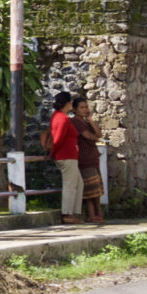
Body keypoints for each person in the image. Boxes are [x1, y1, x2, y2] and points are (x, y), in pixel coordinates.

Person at [49, 91, 83, 224]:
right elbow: (58, 139)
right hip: (66, 156)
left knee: (78, 183)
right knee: (70, 185)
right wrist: (53, 153)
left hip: (69, 156)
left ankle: (74, 211)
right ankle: (67, 213)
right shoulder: (62, 119)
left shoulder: (57, 116)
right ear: (68, 104)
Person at [71, 97, 104, 222]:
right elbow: (89, 136)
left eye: (86, 107)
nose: (85, 110)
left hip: (92, 158)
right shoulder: (75, 122)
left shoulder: (86, 122)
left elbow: (98, 135)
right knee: (90, 189)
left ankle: (97, 213)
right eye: (81, 107)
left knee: (96, 187)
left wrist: (90, 121)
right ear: (75, 109)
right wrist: (95, 137)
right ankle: (92, 214)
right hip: (84, 159)